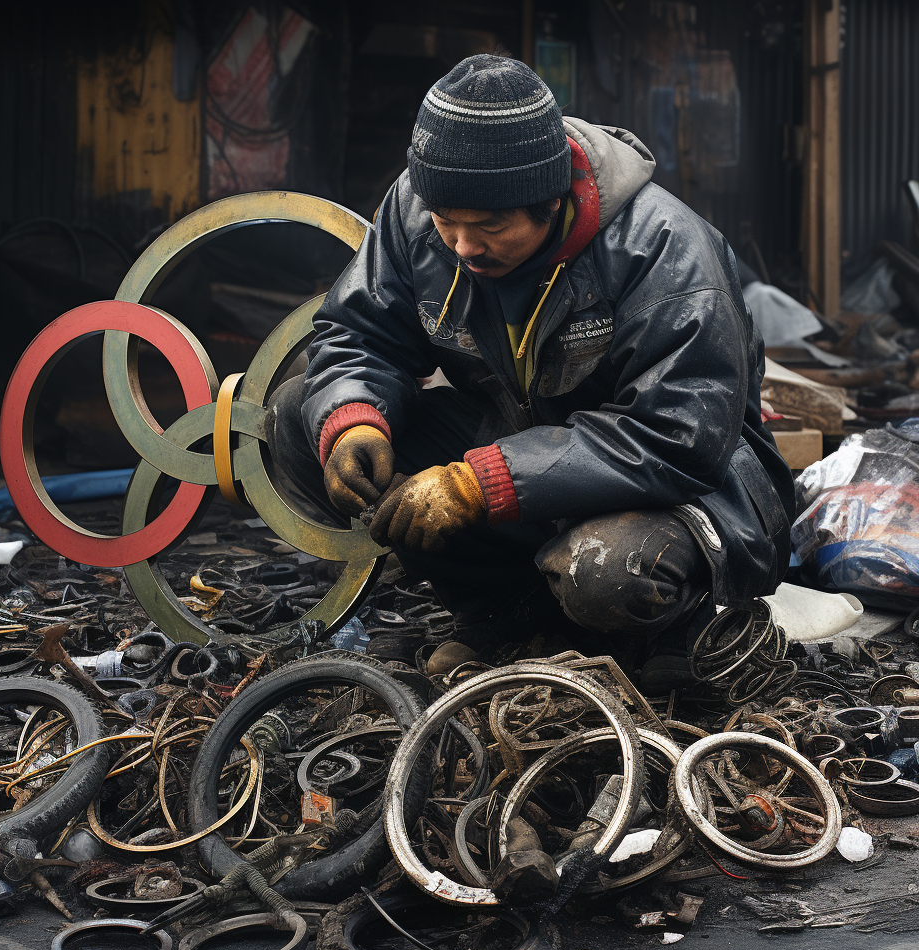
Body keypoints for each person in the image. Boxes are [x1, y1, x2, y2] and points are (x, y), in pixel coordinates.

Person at [271, 54, 794, 680]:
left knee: (607, 571)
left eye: (490, 226)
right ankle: (509, 617)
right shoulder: (418, 210)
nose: (463, 246)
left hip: (688, 490)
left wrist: (478, 483)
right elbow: (360, 331)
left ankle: (680, 625)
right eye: (446, 224)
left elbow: (678, 438)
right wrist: (355, 418)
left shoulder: (665, 249)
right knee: (298, 417)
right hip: (524, 457)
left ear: (552, 202)